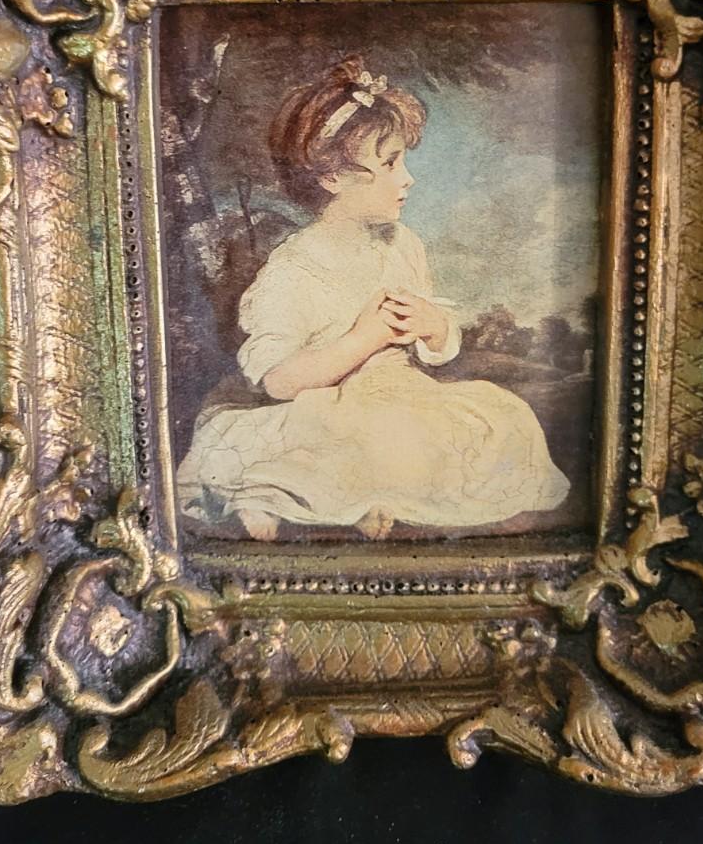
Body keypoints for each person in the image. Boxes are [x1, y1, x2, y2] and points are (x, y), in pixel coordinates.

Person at [176, 55, 570, 541]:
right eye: (389, 164)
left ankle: (363, 502)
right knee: (381, 438)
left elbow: (434, 346)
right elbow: (277, 380)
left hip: (402, 393)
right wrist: (363, 339)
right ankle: (291, 500)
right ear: (331, 178)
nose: (407, 179)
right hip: (322, 406)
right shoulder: (295, 268)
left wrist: (433, 327)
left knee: (506, 416)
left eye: (403, 161)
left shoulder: (403, 245)